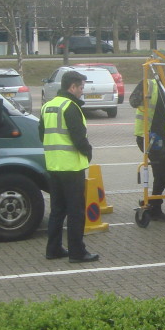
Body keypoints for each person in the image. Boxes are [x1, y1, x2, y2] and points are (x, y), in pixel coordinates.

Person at [39, 70, 99, 263]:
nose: (82, 91)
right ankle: (77, 252)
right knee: (76, 212)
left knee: (57, 209)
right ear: (72, 87)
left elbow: (42, 135)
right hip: (71, 167)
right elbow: (79, 138)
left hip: (53, 165)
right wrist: (88, 152)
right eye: (81, 87)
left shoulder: (47, 106)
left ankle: (53, 248)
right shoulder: (71, 107)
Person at [129, 65, 165, 221]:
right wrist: (143, 94)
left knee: (161, 173)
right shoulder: (150, 85)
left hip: (164, 139)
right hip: (148, 138)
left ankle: (155, 207)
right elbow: (133, 101)